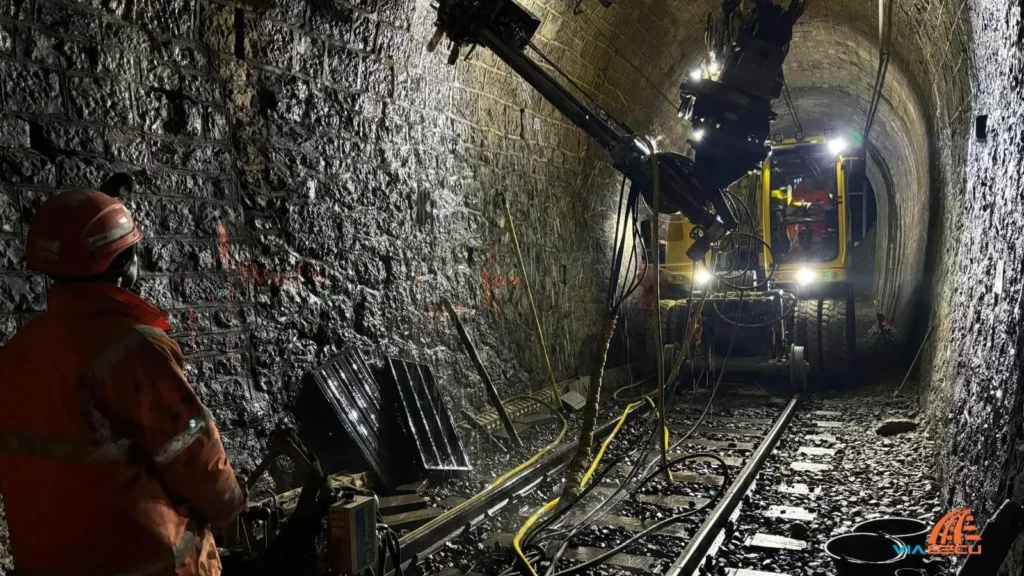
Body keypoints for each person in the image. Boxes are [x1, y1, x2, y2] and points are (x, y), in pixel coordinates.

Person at [0, 176, 246, 575]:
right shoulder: (131, 349)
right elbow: (192, 455)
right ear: (123, 263)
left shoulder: (15, 355)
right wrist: (231, 506)